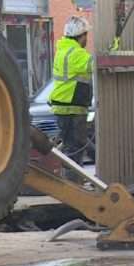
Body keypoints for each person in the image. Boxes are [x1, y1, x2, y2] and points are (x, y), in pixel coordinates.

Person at [50, 16, 93, 169]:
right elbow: (97, 64)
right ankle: (73, 184)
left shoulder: (62, 51)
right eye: (86, 35)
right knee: (75, 149)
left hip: (62, 107)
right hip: (72, 108)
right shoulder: (76, 53)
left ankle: (70, 181)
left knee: (69, 147)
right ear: (81, 36)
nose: (87, 39)